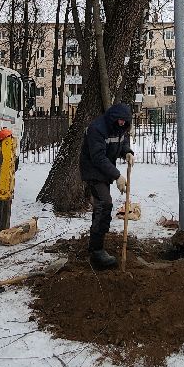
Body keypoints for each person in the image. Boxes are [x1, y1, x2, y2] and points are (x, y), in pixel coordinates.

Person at [79, 102, 134, 269]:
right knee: (105, 203)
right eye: (120, 121)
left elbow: (122, 141)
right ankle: (96, 251)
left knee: (101, 207)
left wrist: (127, 152)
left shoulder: (120, 127)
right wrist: (117, 175)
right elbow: (97, 158)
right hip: (93, 169)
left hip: (105, 168)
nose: (123, 124)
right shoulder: (97, 128)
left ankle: (95, 245)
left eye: (125, 122)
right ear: (113, 119)